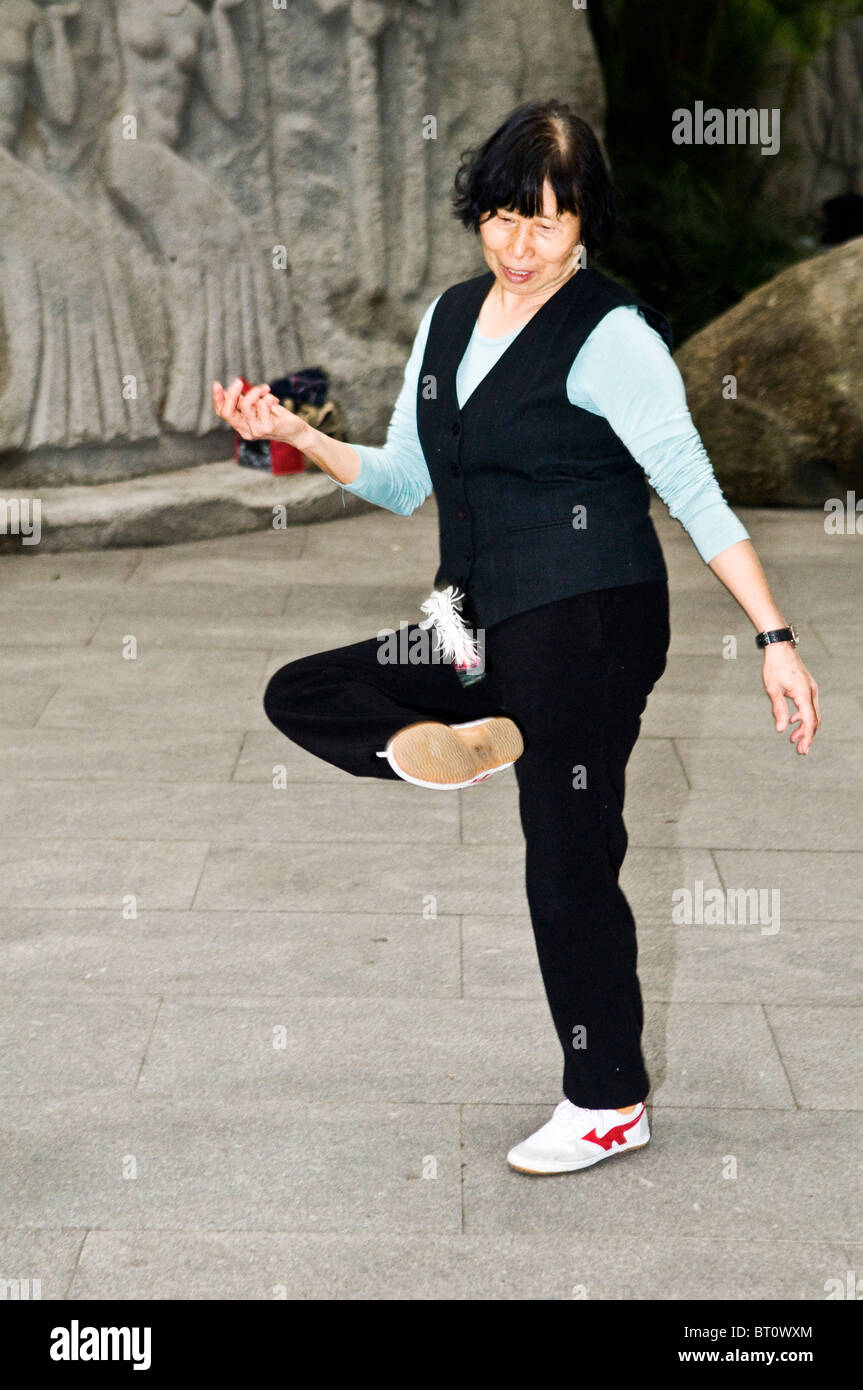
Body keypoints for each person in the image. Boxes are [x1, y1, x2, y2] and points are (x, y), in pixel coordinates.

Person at [212, 98, 820, 1176]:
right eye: (499, 216)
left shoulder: (612, 336)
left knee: (566, 854)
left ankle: (606, 1100)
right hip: (472, 622)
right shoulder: (448, 319)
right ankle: (444, 748)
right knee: (305, 690)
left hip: (588, 617)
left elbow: (694, 495)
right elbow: (405, 480)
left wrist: (773, 637)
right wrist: (295, 434)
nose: (518, 245)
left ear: (584, 222)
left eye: (545, 223)